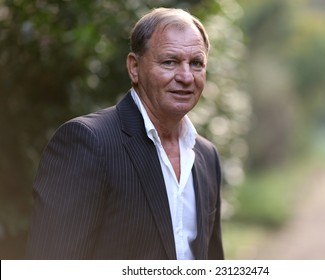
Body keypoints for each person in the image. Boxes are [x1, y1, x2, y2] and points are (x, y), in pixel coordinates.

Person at [26, 7, 224, 260]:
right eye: (169, 62)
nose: (186, 76)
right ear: (134, 67)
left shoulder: (207, 155)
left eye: (196, 63)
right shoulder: (87, 142)